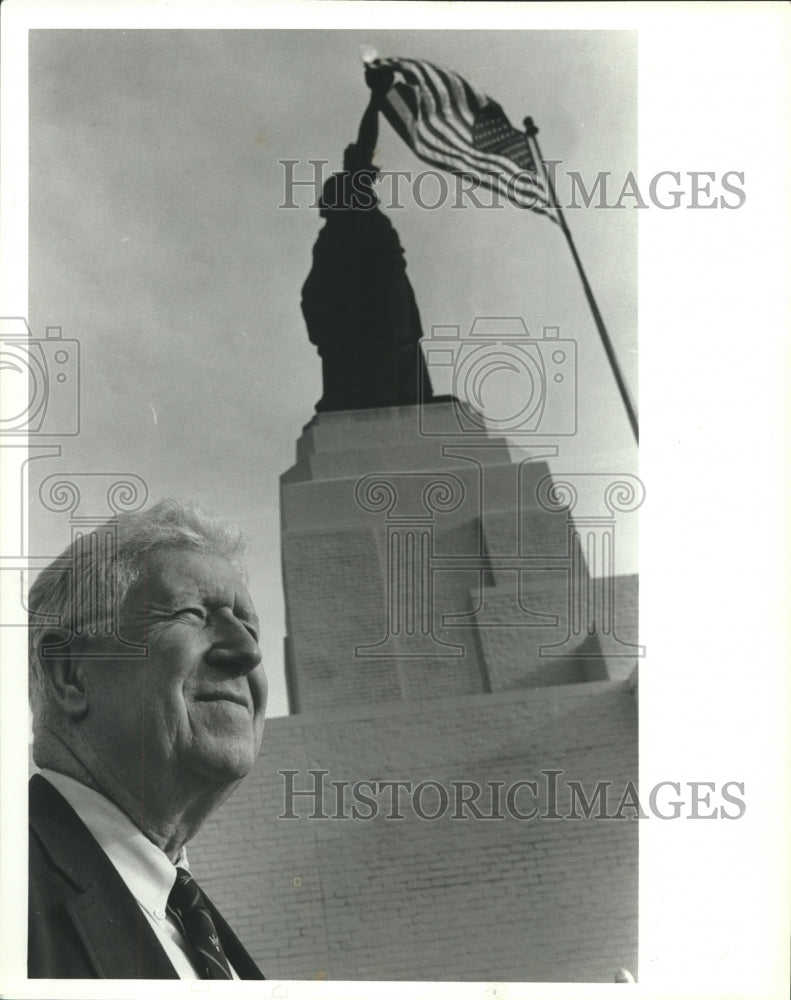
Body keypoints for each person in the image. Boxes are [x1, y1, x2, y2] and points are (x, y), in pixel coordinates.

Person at [27, 499, 266, 979]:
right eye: (192, 613)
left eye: (249, 624)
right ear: (70, 674)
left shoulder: (199, 929)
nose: (247, 651)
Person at [300, 63, 435, 412]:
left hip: (385, 284)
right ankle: (369, 397)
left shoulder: (349, 222)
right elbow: (364, 148)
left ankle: (407, 398)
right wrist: (376, 99)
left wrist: (377, 99)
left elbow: (363, 148)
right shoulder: (338, 232)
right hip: (367, 290)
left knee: (399, 349)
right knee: (374, 347)